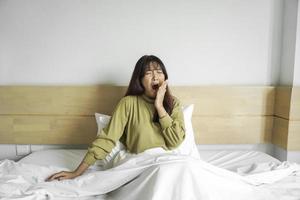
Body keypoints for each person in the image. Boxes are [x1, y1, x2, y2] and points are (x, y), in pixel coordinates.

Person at [46, 55, 185, 181]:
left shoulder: (174, 104)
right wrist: (76, 172)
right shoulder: (128, 103)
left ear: (165, 78)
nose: (155, 77)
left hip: (169, 162)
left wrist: (160, 107)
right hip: (143, 164)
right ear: (140, 80)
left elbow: (175, 142)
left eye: (159, 72)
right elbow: (107, 139)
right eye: (148, 73)